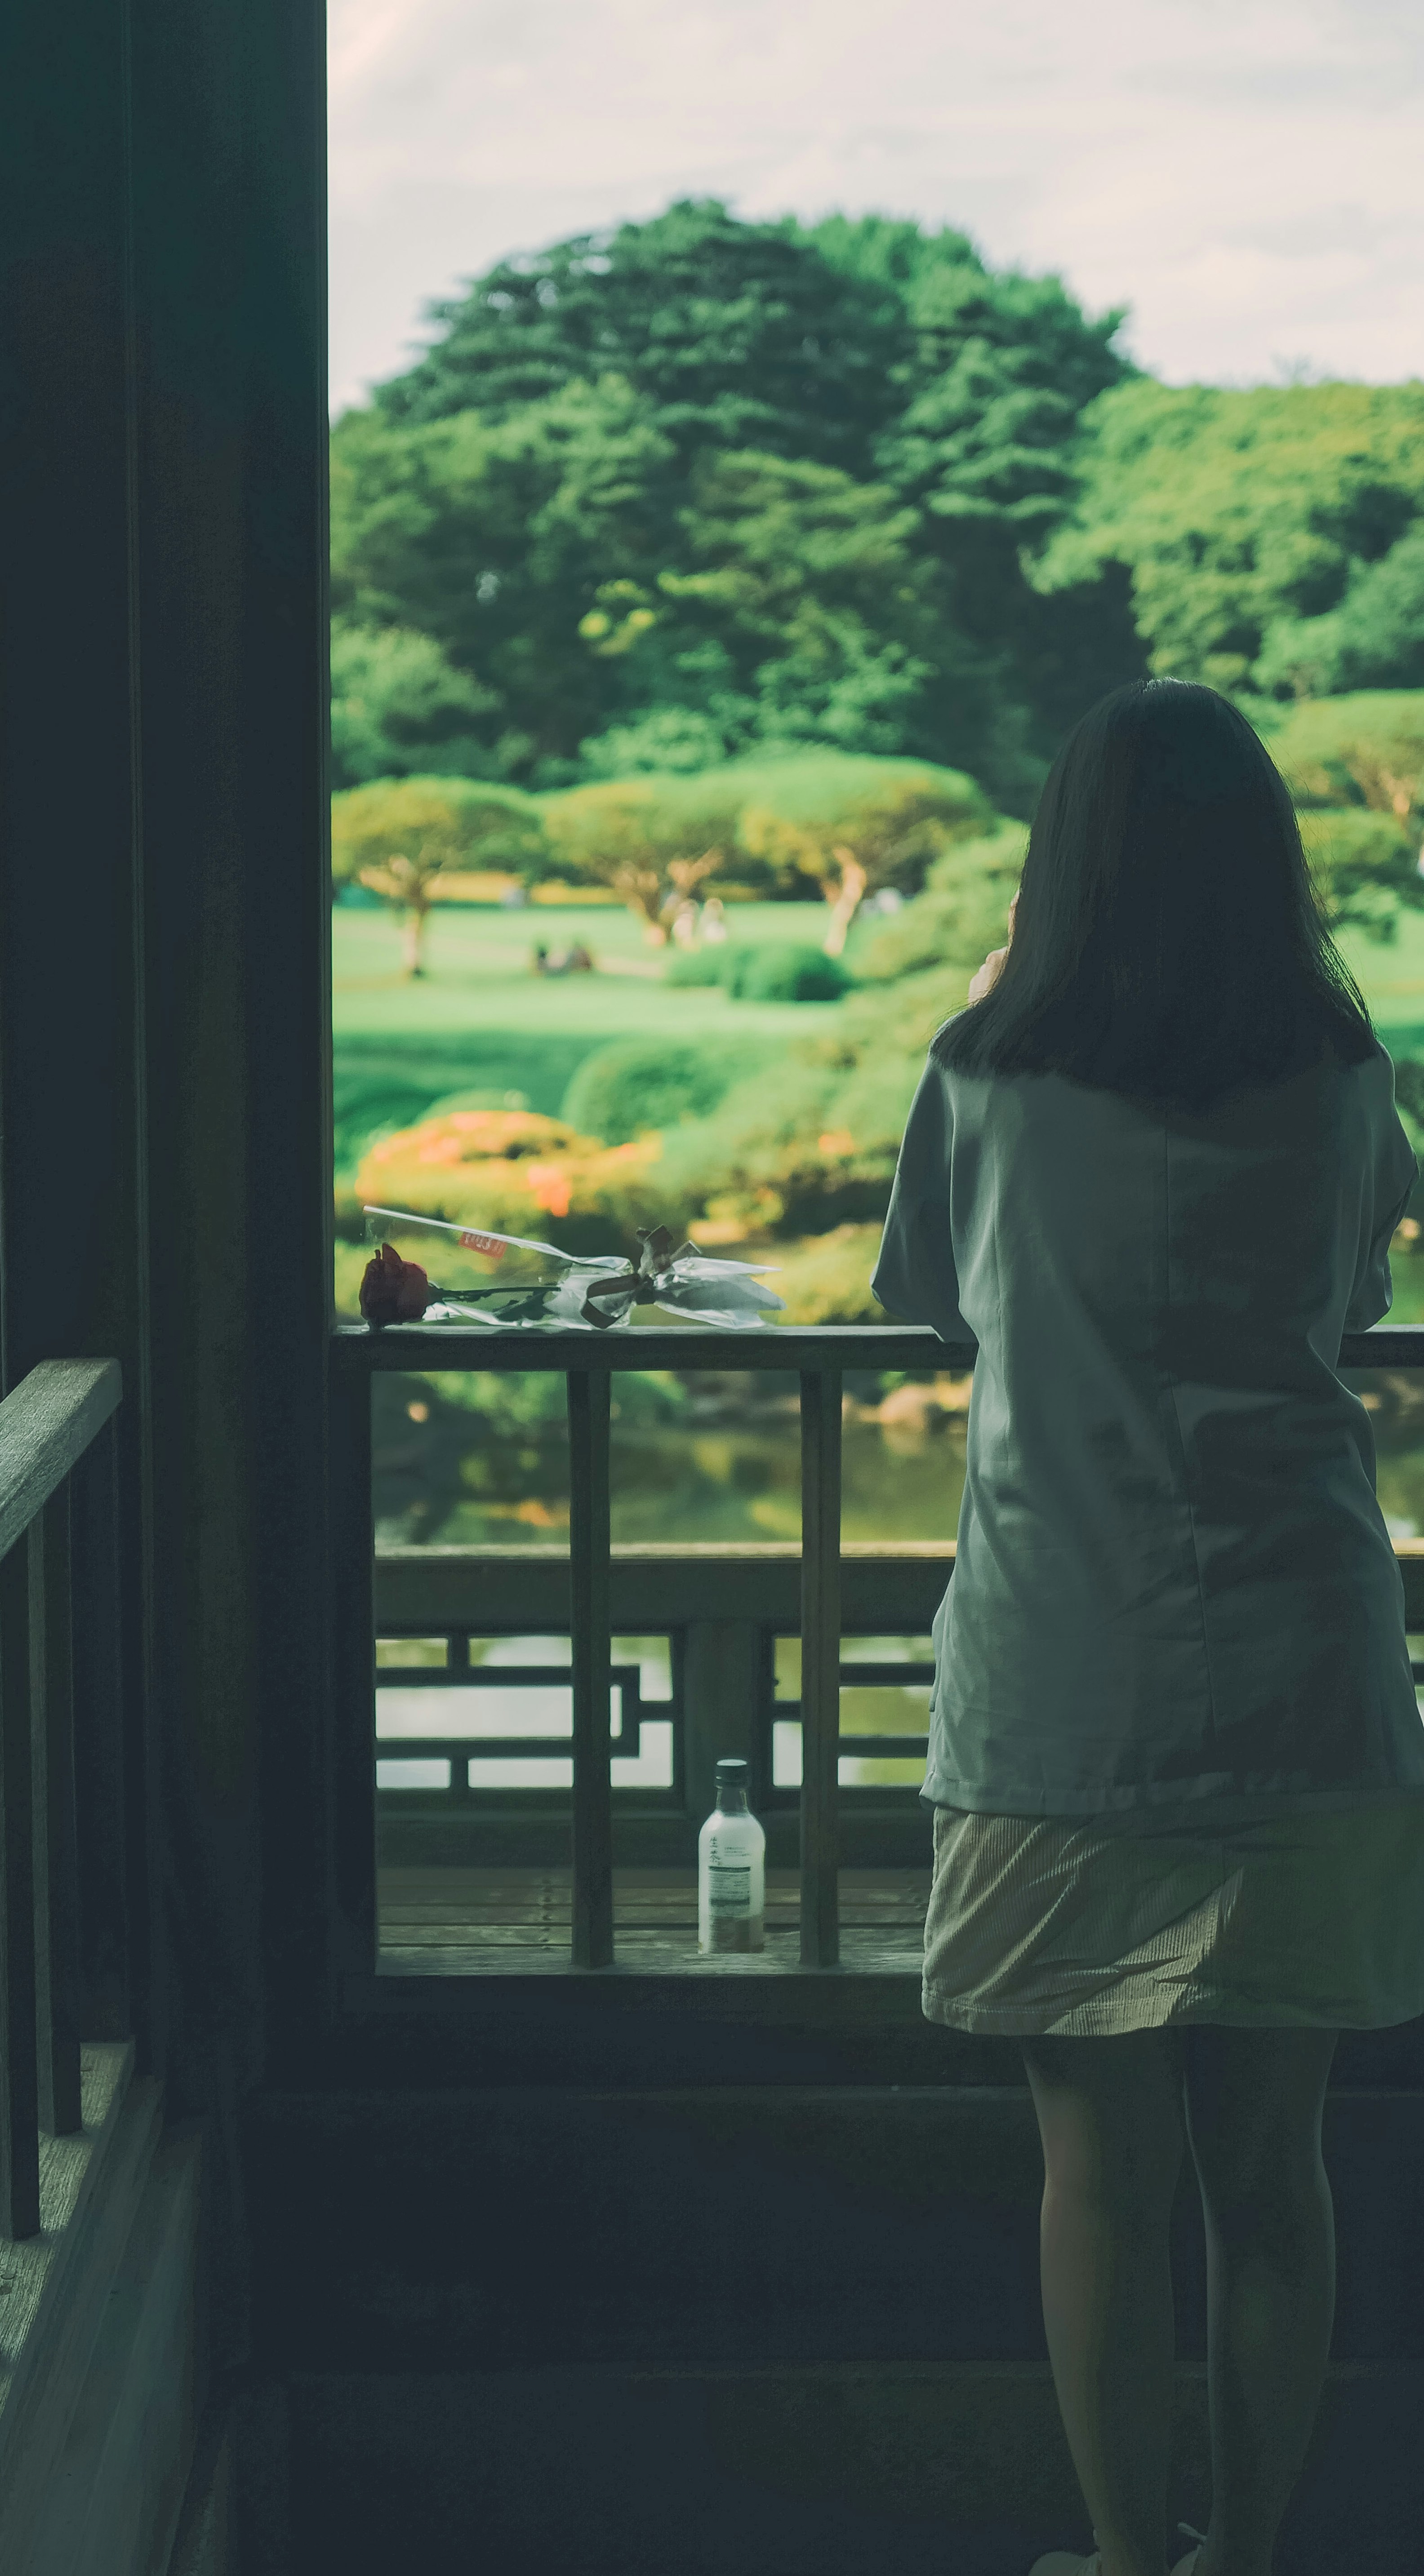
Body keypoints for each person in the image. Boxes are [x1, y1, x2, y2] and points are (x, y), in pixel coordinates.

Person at [871, 678, 1424, 2576]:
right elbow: (1356, 1285)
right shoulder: (1343, 1075)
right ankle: (1247, 2557)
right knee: (1278, 2171)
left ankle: (1123, 2555)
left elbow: (932, 1301)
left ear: (1062, 867)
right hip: (1302, 1661)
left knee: (1099, 2167)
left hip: (1063, 1671)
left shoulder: (987, 1072)